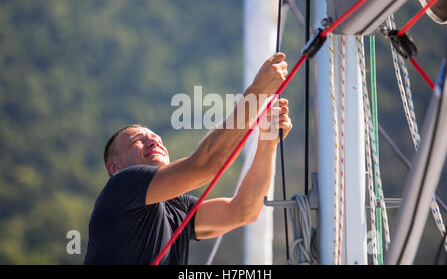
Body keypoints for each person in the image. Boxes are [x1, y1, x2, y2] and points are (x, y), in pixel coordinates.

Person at [84, 52, 293, 265]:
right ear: (114, 167)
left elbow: (243, 211)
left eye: (157, 138)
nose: (154, 141)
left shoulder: (176, 207)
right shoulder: (122, 186)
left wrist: (268, 142)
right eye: (138, 140)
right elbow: (208, 164)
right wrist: (257, 92)